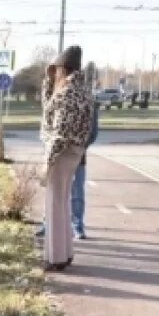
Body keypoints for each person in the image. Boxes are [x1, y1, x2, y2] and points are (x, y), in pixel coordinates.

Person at [39, 46, 93, 271]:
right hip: (74, 151)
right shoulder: (82, 90)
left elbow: (60, 131)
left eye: (55, 69)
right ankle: (65, 252)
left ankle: (56, 257)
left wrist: (47, 162)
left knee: (55, 203)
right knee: (62, 203)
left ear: (63, 68)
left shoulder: (67, 93)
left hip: (61, 152)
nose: (53, 74)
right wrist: (47, 84)